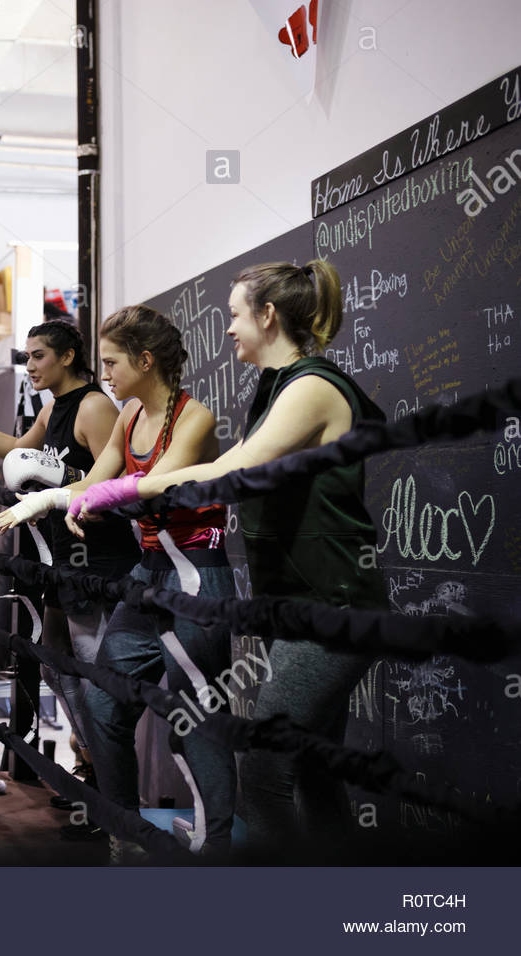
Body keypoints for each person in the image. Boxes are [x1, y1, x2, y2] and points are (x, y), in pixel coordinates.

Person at [66, 261, 386, 858]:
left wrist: (120, 490)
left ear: (268, 316)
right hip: (299, 609)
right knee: (315, 774)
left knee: (264, 775)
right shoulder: (280, 388)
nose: (230, 329)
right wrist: (93, 490)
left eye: (237, 315)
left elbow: (224, 471)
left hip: (335, 608)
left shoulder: (311, 387)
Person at [0, 306, 237, 859]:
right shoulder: (127, 418)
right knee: (103, 702)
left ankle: (217, 850)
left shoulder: (193, 417)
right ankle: (128, 836)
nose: (106, 374)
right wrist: (51, 499)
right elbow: (98, 480)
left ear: (145, 361)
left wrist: (66, 495)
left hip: (197, 576)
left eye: (113, 362)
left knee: (195, 718)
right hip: (149, 573)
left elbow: (148, 487)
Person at [0, 320, 139, 796]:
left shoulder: (95, 406)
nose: (30, 365)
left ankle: (107, 790)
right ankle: (90, 766)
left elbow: (115, 485)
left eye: (39, 355)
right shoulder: (54, 407)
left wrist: (60, 480)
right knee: (55, 665)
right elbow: (19, 452)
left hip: (98, 560)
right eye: (27, 356)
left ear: (66, 356)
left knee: (88, 668)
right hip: (63, 556)